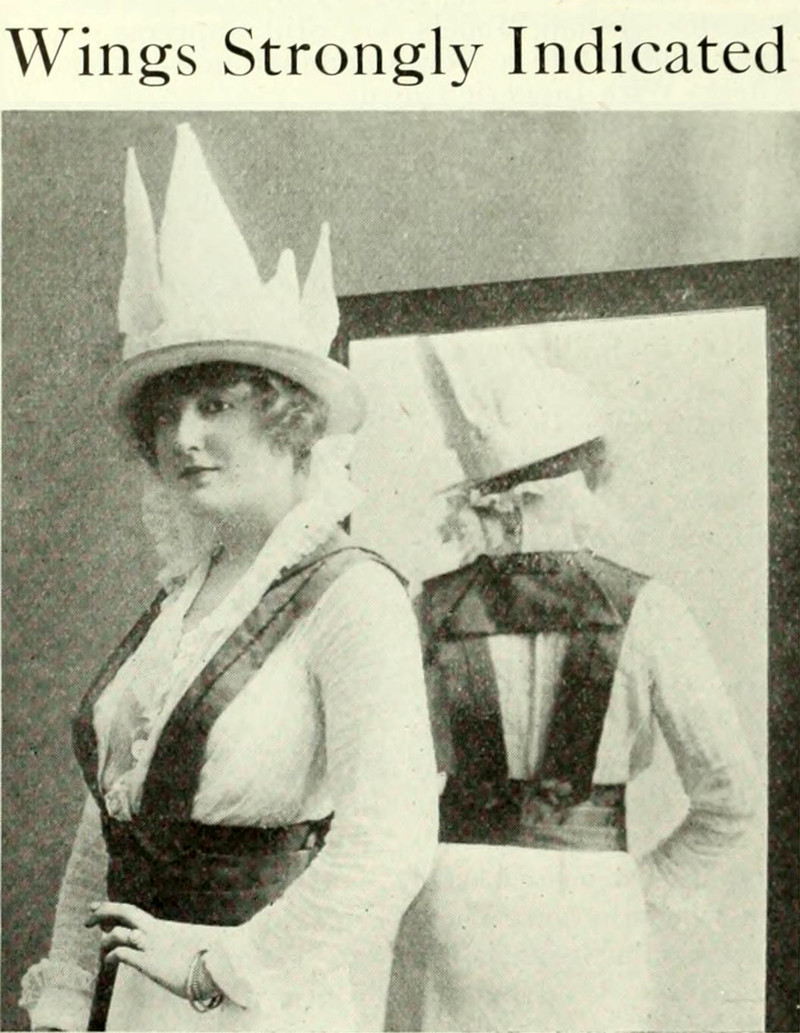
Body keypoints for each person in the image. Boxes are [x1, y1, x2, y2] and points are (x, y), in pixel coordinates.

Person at [20, 123, 439, 1033]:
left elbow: (394, 839)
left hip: (260, 1006)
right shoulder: (183, 597)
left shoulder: (352, 595)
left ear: (289, 419)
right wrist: (66, 993)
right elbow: (108, 833)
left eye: (214, 404)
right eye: (167, 412)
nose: (184, 437)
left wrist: (220, 968)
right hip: (133, 1005)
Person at [387, 336, 757, 1032]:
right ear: (584, 476)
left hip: (451, 909)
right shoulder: (649, 609)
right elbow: (732, 799)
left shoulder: (423, 608)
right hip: (590, 918)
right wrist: (642, 891)